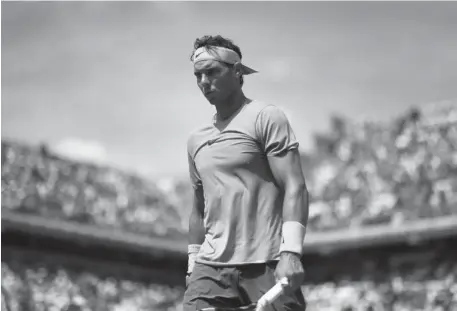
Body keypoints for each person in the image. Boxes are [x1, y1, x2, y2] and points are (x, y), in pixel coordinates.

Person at [184, 35, 309, 311]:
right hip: (210, 269)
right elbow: (198, 208)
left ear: (238, 72)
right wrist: (193, 265)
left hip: (266, 262)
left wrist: (291, 252)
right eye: (198, 75)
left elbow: (294, 186)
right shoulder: (196, 139)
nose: (204, 82)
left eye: (213, 71)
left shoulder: (266, 116)